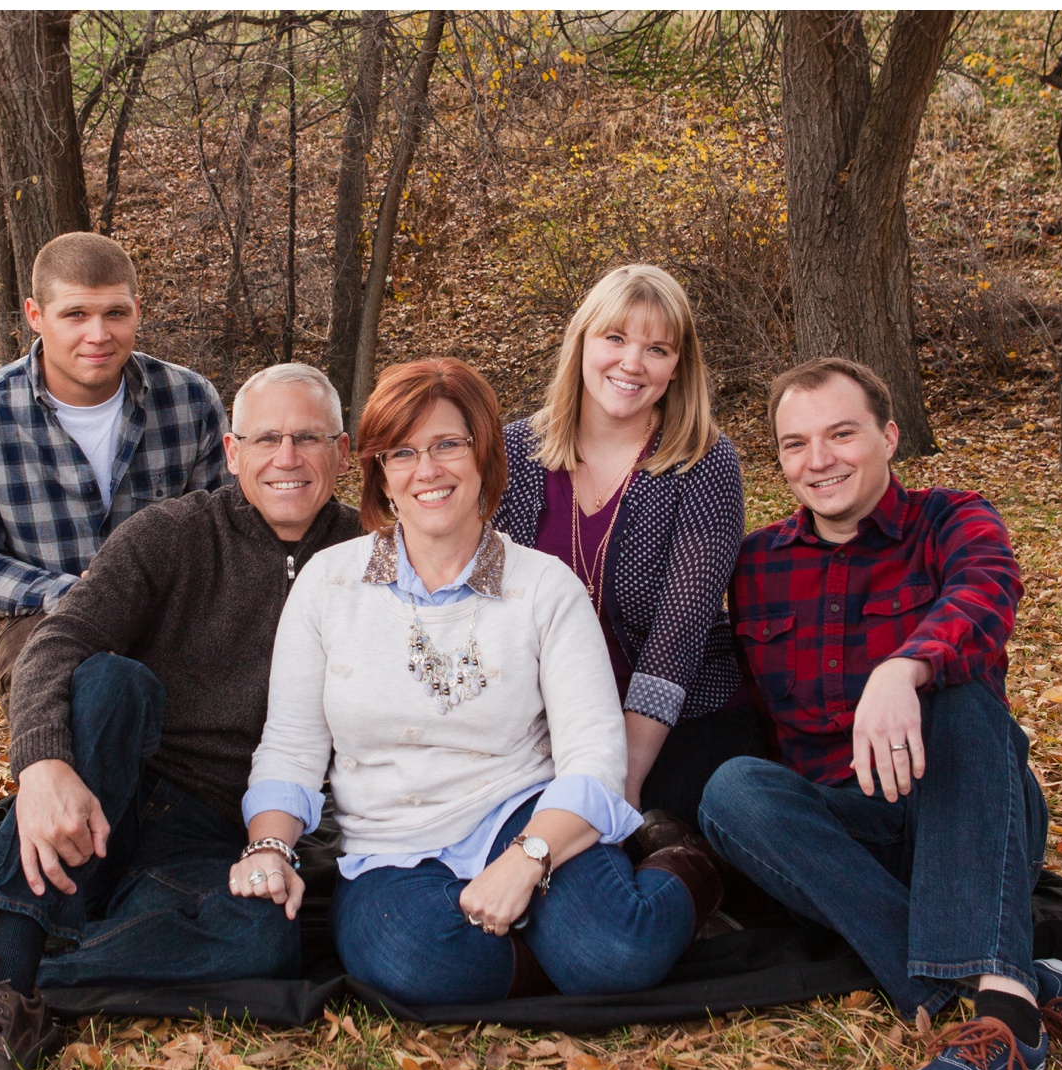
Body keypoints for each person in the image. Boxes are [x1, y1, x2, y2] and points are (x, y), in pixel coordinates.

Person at [0, 363, 358, 1070]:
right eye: (267, 438)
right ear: (231, 452)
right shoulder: (171, 534)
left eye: (308, 438)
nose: (288, 456)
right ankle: (3, 998)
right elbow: (56, 644)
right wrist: (43, 764)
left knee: (265, 946)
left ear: (341, 453)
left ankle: (10, 937)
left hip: (220, 831)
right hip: (116, 789)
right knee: (111, 682)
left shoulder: (369, 555)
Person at [699, 358, 1062, 1070]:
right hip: (843, 840)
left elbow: (985, 597)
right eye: (795, 444)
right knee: (730, 790)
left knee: (960, 695)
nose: (819, 460)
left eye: (841, 434)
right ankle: (1015, 981)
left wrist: (904, 669)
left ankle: (1007, 1032)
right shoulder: (757, 564)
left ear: (889, 436)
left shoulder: (953, 519)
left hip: (968, 806)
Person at [236, 358, 727, 1006]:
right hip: (391, 844)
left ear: (484, 454)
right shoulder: (329, 585)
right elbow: (292, 747)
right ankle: (542, 944)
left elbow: (595, 758)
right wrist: (268, 846)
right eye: (402, 452)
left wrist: (528, 859)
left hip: (522, 810)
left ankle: (683, 865)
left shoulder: (545, 586)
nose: (427, 470)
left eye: (447, 445)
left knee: (617, 950)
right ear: (381, 471)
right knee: (410, 964)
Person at [490, 265, 754, 847]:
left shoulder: (703, 463)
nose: (632, 363)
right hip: (550, 722)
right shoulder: (514, 452)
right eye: (615, 338)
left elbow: (679, 637)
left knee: (644, 832)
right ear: (581, 342)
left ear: (677, 365)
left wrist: (622, 782)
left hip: (682, 718)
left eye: (656, 348)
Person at [0, 231, 230, 714]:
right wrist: (70, 592)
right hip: (34, 618)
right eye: (75, 315)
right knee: (90, 697)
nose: (98, 334)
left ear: (136, 309)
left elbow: (224, 533)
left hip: (168, 614)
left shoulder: (189, 400)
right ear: (35, 316)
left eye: (115, 313)